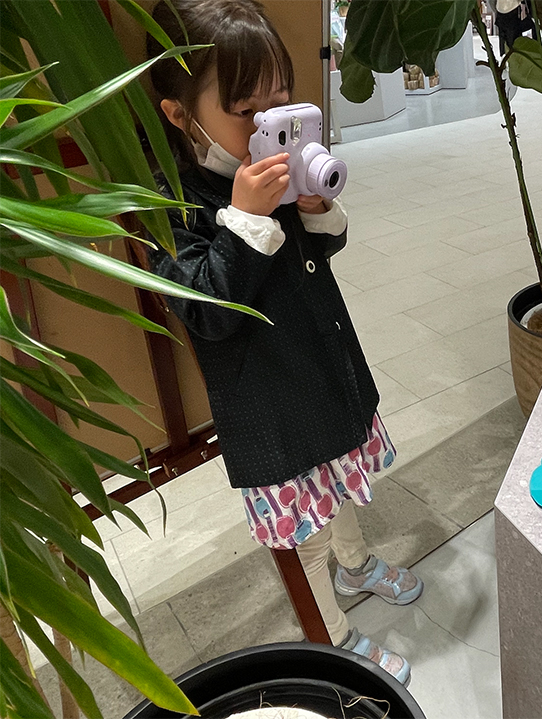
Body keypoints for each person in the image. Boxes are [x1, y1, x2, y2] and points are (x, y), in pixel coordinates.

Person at [145, 0, 420, 686]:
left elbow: (322, 252)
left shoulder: (276, 161)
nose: (270, 123)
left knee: (344, 483)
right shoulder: (171, 201)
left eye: (281, 101)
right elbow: (205, 310)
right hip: (269, 404)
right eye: (247, 110)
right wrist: (244, 217)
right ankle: (332, 637)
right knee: (306, 528)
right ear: (178, 114)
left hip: (325, 365)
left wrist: (316, 208)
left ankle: (355, 564)